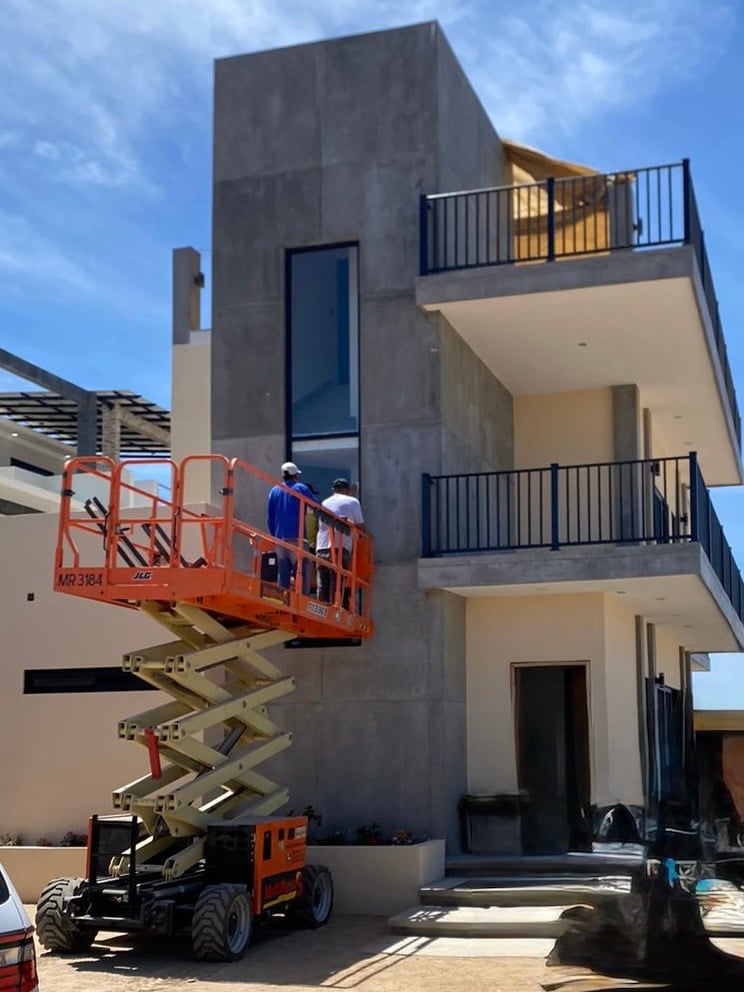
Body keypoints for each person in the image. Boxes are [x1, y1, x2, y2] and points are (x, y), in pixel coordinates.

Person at [266, 462, 316, 593]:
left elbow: (270, 518)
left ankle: (283, 598)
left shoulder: (274, 490)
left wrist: (274, 537)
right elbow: (316, 506)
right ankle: (303, 599)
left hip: (280, 539)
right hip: (298, 538)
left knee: (283, 575)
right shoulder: (300, 488)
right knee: (302, 573)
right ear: (295, 475)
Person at [316, 478, 364, 607]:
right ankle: (336, 608)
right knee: (337, 580)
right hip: (341, 546)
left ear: (333, 490)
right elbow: (360, 526)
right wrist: (365, 535)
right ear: (347, 490)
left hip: (322, 546)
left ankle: (321, 607)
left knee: (323, 581)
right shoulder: (352, 501)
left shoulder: (325, 502)